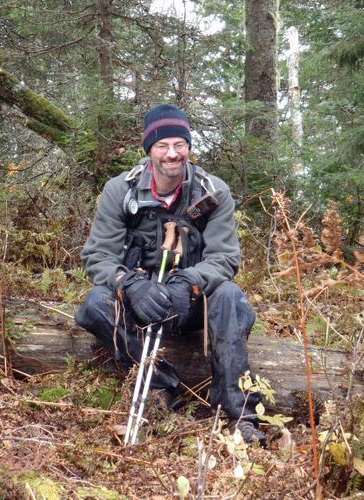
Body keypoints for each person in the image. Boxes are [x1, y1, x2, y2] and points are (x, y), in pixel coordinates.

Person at [75, 104, 266, 445]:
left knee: (230, 296)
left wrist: (189, 282)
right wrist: (130, 285)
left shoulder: (213, 192)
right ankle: (161, 387)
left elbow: (224, 258)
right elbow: (98, 256)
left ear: (189, 147)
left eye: (180, 145)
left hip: (188, 302)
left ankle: (239, 415)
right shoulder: (122, 190)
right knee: (94, 304)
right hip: (140, 301)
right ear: (149, 149)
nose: (172, 154)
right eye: (163, 146)